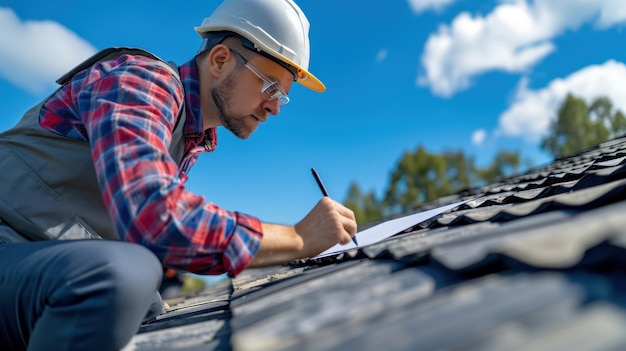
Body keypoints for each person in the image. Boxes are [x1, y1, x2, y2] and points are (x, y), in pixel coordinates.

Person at [0, 0, 357, 349]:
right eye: (271, 85)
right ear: (220, 60)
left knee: (147, 298)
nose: (275, 107)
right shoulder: (140, 82)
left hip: (31, 257)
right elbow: (155, 218)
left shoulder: (188, 135)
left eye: (283, 96)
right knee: (124, 276)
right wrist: (297, 238)